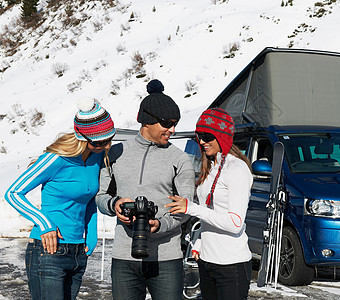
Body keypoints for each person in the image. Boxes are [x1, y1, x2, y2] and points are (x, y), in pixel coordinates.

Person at [4, 98, 116, 300]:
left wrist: (91, 234)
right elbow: (13, 193)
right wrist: (45, 224)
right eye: (100, 142)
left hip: (78, 252)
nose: (107, 146)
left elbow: (89, 199)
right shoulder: (55, 159)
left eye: (110, 138)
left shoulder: (96, 157)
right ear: (82, 137)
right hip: (48, 251)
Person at [95, 79, 195, 300]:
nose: (173, 130)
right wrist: (115, 205)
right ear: (147, 121)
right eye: (167, 123)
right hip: (123, 257)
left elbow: (186, 208)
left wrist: (160, 224)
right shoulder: (116, 154)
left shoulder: (180, 159)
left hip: (167, 259)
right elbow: (100, 197)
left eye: (175, 123)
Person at [166, 108, 253, 300]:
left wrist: (191, 208)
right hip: (207, 261)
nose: (202, 141)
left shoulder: (237, 169)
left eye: (207, 136)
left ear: (222, 136)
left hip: (231, 265)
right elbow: (210, 210)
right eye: (199, 136)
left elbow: (235, 223)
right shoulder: (210, 166)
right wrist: (198, 241)